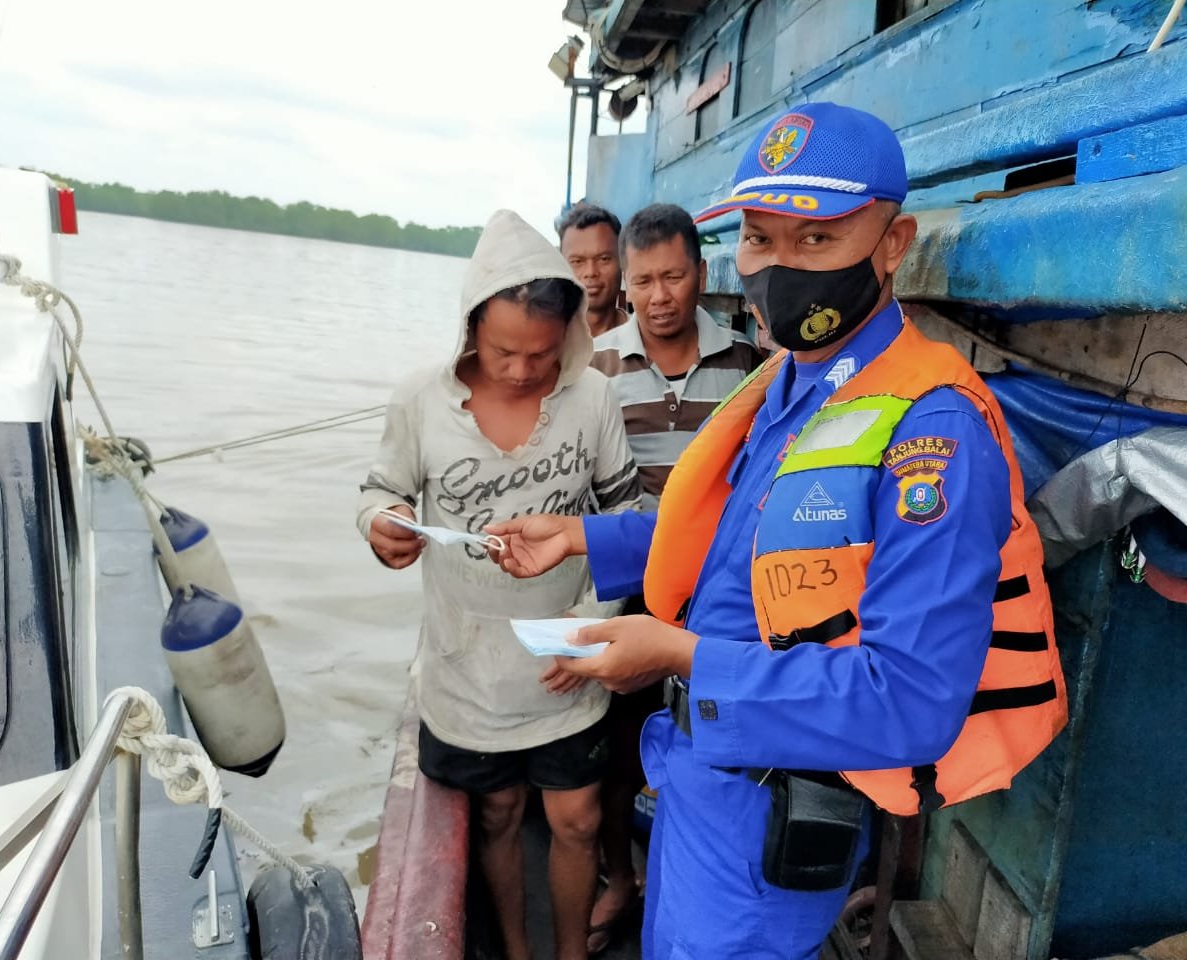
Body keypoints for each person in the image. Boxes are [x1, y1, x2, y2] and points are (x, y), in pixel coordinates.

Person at [486, 102, 1067, 959]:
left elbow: (906, 702)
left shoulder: (934, 434)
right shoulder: (791, 384)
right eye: (760, 239)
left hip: (768, 810)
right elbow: (737, 540)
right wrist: (579, 538)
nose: (778, 269)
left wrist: (678, 656)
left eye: (817, 240)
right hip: (698, 776)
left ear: (893, 243)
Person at [357, 208, 641, 960]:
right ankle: (516, 949)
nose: (520, 371)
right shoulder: (420, 400)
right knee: (497, 815)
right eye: (503, 351)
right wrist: (382, 524)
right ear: (470, 329)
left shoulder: (594, 403)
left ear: (570, 340)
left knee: (578, 820)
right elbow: (379, 489)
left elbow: (627, 519)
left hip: (566, 659)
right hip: (466, 664)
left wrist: (593, 625)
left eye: (541, 356)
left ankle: (570, 953)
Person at [582, 201, 760, 954]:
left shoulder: (747, 365)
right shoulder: (597, 370)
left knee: (712, 731)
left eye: (674, 276)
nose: (659, 296)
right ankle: (620, 876)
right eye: (643, 280)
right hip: (629, 582)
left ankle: (701, 871)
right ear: (625, 285)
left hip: (718, 593)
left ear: (701, 274)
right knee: (619, 743)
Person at [558, 202, 628, 337]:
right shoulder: (544, 342)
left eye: (603, 259)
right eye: (577, 261)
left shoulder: (647, 340)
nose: (591, 272)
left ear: (622, 262)